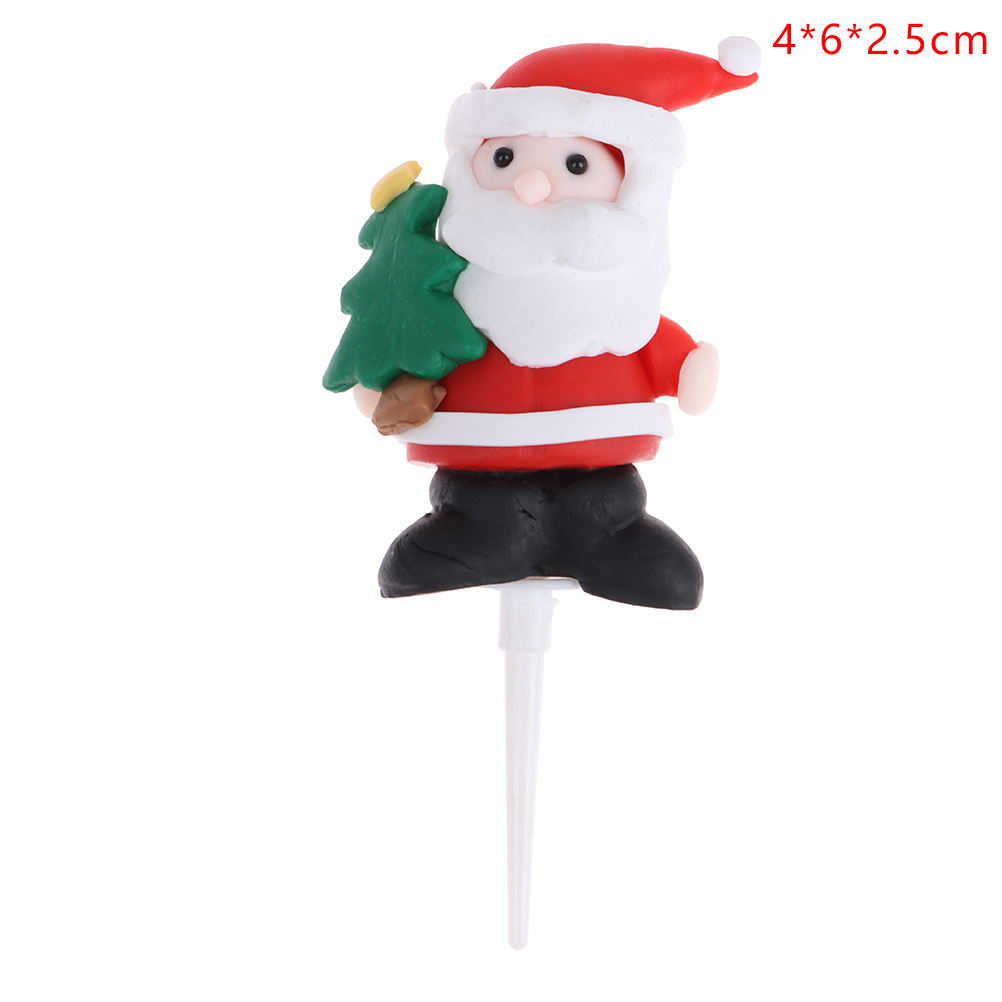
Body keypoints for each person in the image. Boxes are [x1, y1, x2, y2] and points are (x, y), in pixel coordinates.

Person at [353, 40, 760, 608]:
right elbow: (414, 338)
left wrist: (688, 367)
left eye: (576, 165)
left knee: (604, 509)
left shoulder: (623, 308)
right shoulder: (452, 298)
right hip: (477, 477)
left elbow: (655, 344)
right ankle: (479, 539)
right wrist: (383, 376)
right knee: (485, 517)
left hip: (601, 478)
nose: (532, 187)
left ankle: (612, 541)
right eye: (504, 159)